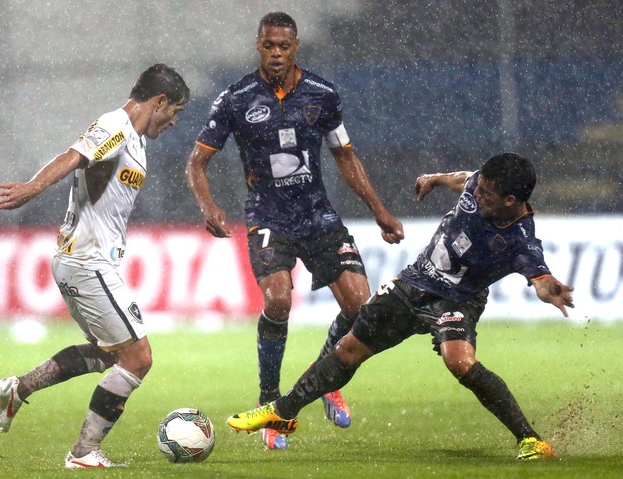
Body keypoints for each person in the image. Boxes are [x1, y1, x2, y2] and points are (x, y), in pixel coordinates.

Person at [227, 153, 575, 460]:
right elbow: (462, 179)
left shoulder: (521, 240)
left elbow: (541, 279)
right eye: (479, 187)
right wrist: (434, 180)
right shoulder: (478, 185)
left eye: (486, 193)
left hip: (457, 300)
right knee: (348, 349)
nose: (476, 193)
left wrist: (550, 289)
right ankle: (283, 413)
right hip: (415, 282)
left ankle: (530, 440)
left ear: (511, 200)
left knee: (460, 361)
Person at [185, 12, 404, 450]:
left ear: (296, 46)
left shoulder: (322, 94)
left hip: (317, 215)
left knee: (362, 308)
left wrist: (379, 210)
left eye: (284, 46)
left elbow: (345, 156)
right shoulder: (235, 98)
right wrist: (209, 206)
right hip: (269, 216)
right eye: (269, 46)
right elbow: (196, 161)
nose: (277, 53)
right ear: (259, 45)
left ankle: (326, 376)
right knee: (279, 300)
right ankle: (270, 404)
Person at [0, 64, 190, 468]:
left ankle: (19, 388)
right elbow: (73, 156)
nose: (174, 121)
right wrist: (32, 188)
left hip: (89, 261)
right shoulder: (115, 126)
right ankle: (83, 452)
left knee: (110, 354)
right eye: (175, 112)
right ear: (159, 101)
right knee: (139, 358)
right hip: (86, 261)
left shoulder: (136, 139)